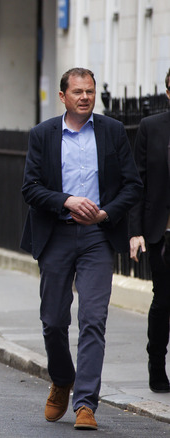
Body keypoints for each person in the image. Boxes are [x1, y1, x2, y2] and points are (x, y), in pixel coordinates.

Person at [20, 68, 142, 430]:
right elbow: (30, 188)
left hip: (97, 237)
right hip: (56, 233)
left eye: (90, 91)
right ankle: (62, 379)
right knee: (53, 321)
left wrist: (105, 212)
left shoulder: (113, 132)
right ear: (63, 96)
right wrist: (67, 201)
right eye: (78, 91)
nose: (85, 97)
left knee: (94, 318)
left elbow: (132, 186)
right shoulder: (43, 135)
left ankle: (85, 402)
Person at [129, 67, 170, 393]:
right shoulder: (151, 127)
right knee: (164, 300)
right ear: (168, 93)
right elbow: (137, 182)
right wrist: (136, 230)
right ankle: (157, 365)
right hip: (162, 231)